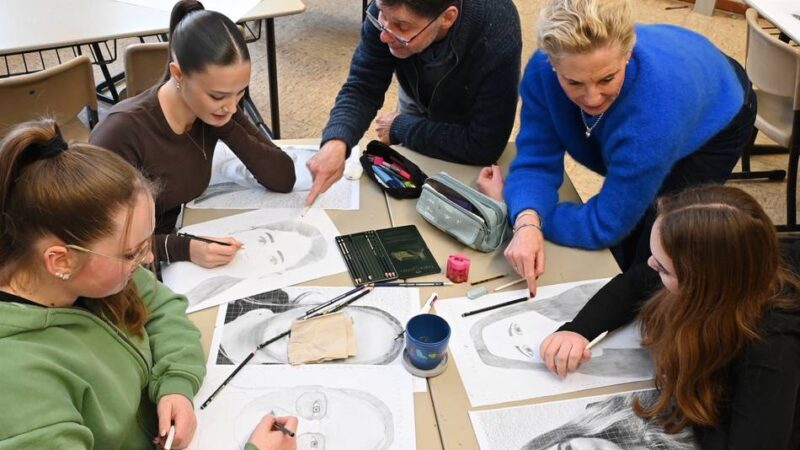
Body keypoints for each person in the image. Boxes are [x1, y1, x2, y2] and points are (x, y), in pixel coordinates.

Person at [0, 120, 298, 449]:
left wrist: (174, 383)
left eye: (146, 245)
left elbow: (162, 307)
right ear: (60, 261)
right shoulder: (17, 382)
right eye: (130, 252)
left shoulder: (92, 277)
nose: (146, 261)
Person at [494, 0, 756, 295]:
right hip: (681, 68)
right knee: (633, 220)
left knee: (661, 248)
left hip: (718, 110)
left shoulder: (652, 114)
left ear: (628, 54)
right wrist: (527, 218)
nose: (592, 98)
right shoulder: (542, 73)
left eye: (607, 78)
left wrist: (522, 212)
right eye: (574, 82)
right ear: (551, 63)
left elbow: (606, 224)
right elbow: (535, 161)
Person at [539, 186, 800, 448]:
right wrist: (577, 330)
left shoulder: (773, 349)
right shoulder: (730, 269)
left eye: (663, 268)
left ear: (702, 286)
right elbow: (633, 284)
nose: (651, 265)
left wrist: (688, 384)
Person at [90, 0, 296, 269]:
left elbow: (283, 177)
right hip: (134, 268)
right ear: (178, 74)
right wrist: (184, 248)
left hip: (179, 239)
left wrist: (225, 124)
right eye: (218, 95)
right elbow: (101, 242)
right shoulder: (121, 133)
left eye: (240, 93)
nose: (233, 107)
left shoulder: (216, 112)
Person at [306, 0, 522, 206]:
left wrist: (402, 127)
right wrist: (337, 141)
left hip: (466, 115)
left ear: (447, 18)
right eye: (381, 14)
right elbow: (363, 85)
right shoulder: (389, 13)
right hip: (416, 90)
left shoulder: (498, 33)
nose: (384, 36)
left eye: (401, 25)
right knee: (408, 187)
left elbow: (484, 145)